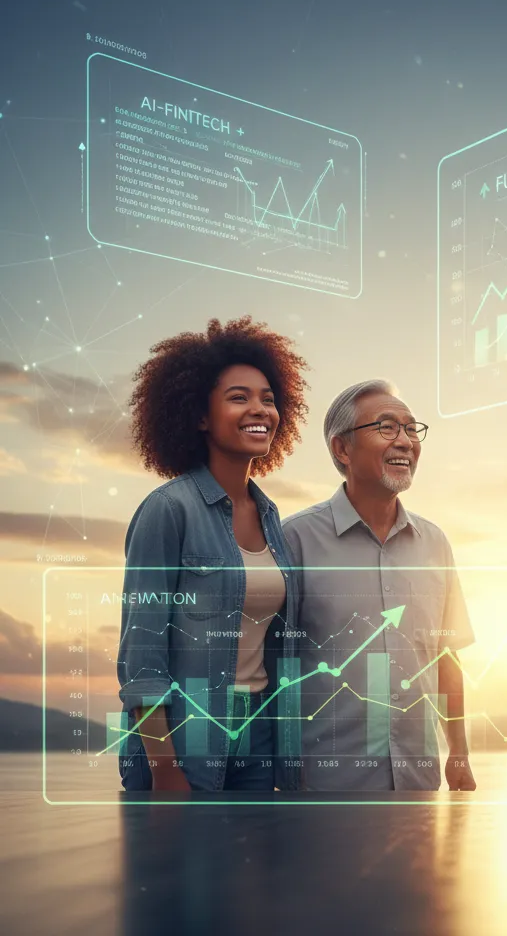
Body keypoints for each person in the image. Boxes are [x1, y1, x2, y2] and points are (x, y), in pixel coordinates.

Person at [116, 316, 309, 793]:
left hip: (259, 730)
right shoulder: (168, 510)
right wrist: (164, 767)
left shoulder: (270, 516)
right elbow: (142, 654)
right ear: (200, 416)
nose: (259, 409)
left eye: (268, 398)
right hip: (187, 735)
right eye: (238, 397)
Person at [283, 379, 476, 792]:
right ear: (342, 449)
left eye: (411, 428)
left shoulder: (435, 543)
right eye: (386, 427)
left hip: (419, 786)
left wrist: (459, 751)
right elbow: (274, 665)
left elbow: (447, 658)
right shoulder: (294, 540)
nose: (405, 441)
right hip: (325, 791)